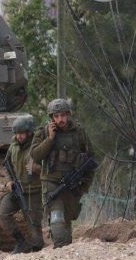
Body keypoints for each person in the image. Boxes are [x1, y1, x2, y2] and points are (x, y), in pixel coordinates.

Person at [30, 99, 95, 248]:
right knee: (57, 218)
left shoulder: (78, 132)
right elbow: (35, 156)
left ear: (68, 115)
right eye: (56, 116)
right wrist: (50, 139)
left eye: (63, 115)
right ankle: (60, 247)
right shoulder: (43, 132)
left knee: (67, 221)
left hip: (72, 184)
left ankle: (66, 253)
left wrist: (84, 186)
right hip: (52, 183)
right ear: (51, 117)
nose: (60, 119)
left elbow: (90, 158)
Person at [0, 115, 44, 254]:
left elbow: (49, 168)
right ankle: (21, 242)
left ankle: (36, 250)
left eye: (22, 133)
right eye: (17, 133)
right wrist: (9, 181)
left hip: (33, 191)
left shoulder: (37, 146)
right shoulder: (14, 146)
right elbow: (6, 164)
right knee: (2, 214)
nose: (19, 136)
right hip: (16, 188)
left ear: (29, 132)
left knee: (36, 235)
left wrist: (36, 168)